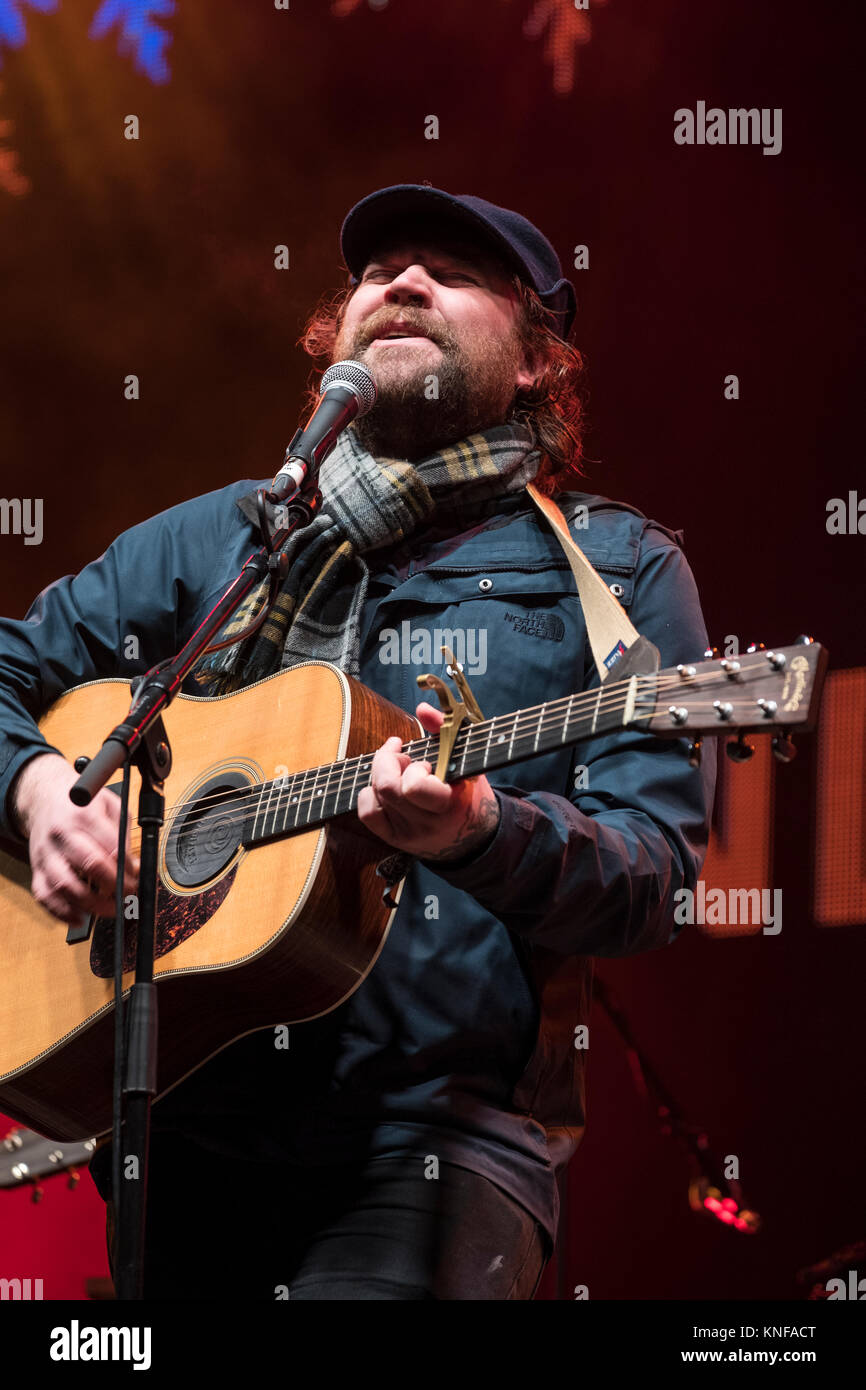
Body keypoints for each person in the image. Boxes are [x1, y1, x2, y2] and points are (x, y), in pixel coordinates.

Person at [0, 183, 717, 1299]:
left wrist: (482, 830)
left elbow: (655, 877)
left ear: (535, 363)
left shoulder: (617, 573)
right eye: (379, 272)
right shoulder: (232, 540)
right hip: (178, 1138)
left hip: (432, 1151)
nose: (402, 283)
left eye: (452, 271)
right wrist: (40, 790)